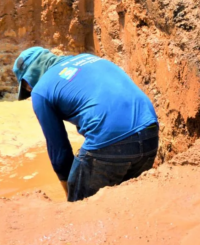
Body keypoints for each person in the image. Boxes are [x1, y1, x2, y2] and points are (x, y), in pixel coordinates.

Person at [13, 47, 159, 202]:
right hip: (150, 130)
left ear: (29, 78)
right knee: (129, 204)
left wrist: (71, 196)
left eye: (26, 86)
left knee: (82, 213)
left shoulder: (40, 91)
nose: (29, 91)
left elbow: (59, 152)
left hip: (110, 142)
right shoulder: (89, 58)